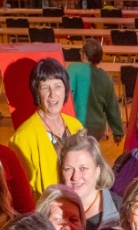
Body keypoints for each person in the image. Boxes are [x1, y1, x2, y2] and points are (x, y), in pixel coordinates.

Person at [10, 59, 85, 197]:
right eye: (45, 87)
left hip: (77, 207)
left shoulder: (76, 126)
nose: (52, 94)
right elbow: (20, 192)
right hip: (45, 213)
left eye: (58, 86)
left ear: (65, 89)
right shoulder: (22, 138)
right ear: (37, 92)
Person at [59, 131, 122, 230]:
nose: (75, 177)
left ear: (98, 171)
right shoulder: (53, 209)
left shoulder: (122, 211)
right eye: (68, 169)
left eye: (83, 168)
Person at [66, 39, 125, 142]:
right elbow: (112, 107)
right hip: (97, 129)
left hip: (76, 125)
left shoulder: (73, 69)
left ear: (84, 55)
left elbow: (65, 94)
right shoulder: (106, 77)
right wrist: (118, 131)